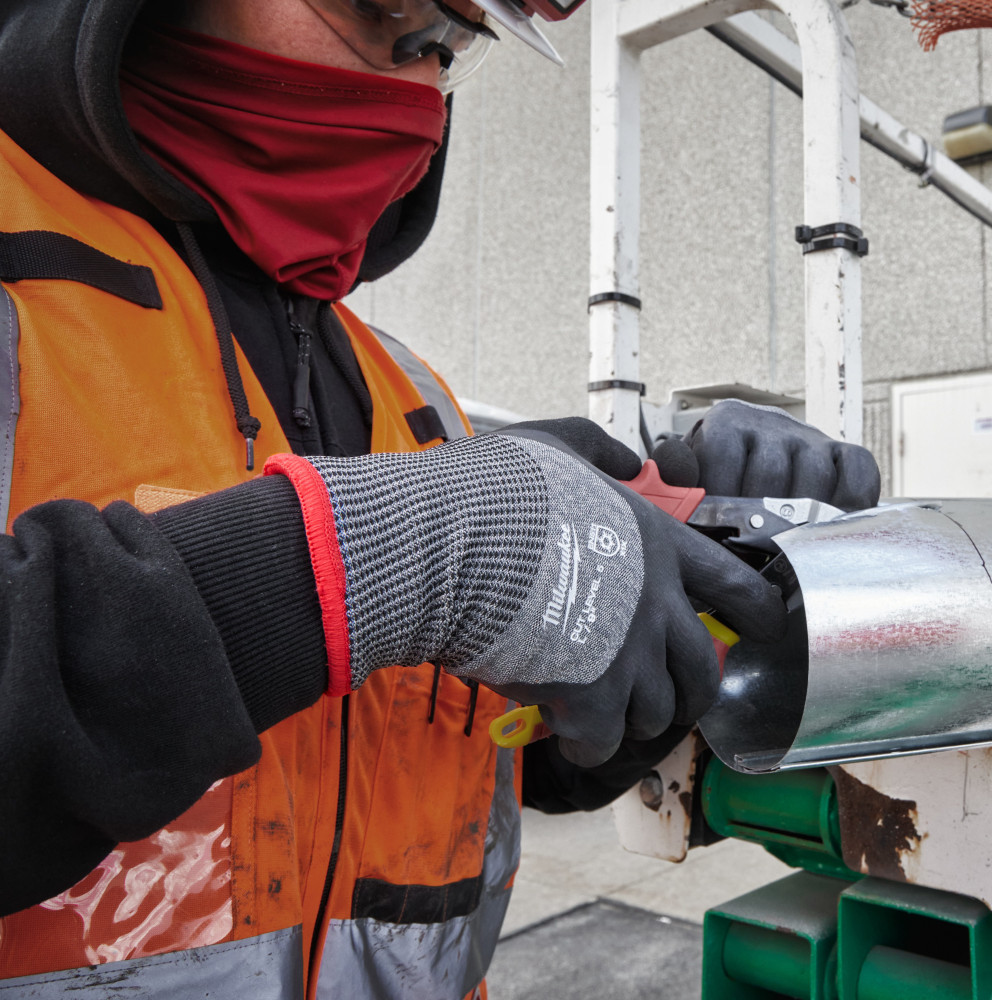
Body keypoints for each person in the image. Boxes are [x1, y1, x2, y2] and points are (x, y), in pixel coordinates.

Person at [0, 0, 880, 995]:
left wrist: (699, 584)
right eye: (395, 12)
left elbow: (509, 762)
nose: (422, 84)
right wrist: (377, 557)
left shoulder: (408, 394)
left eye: (450, 45)